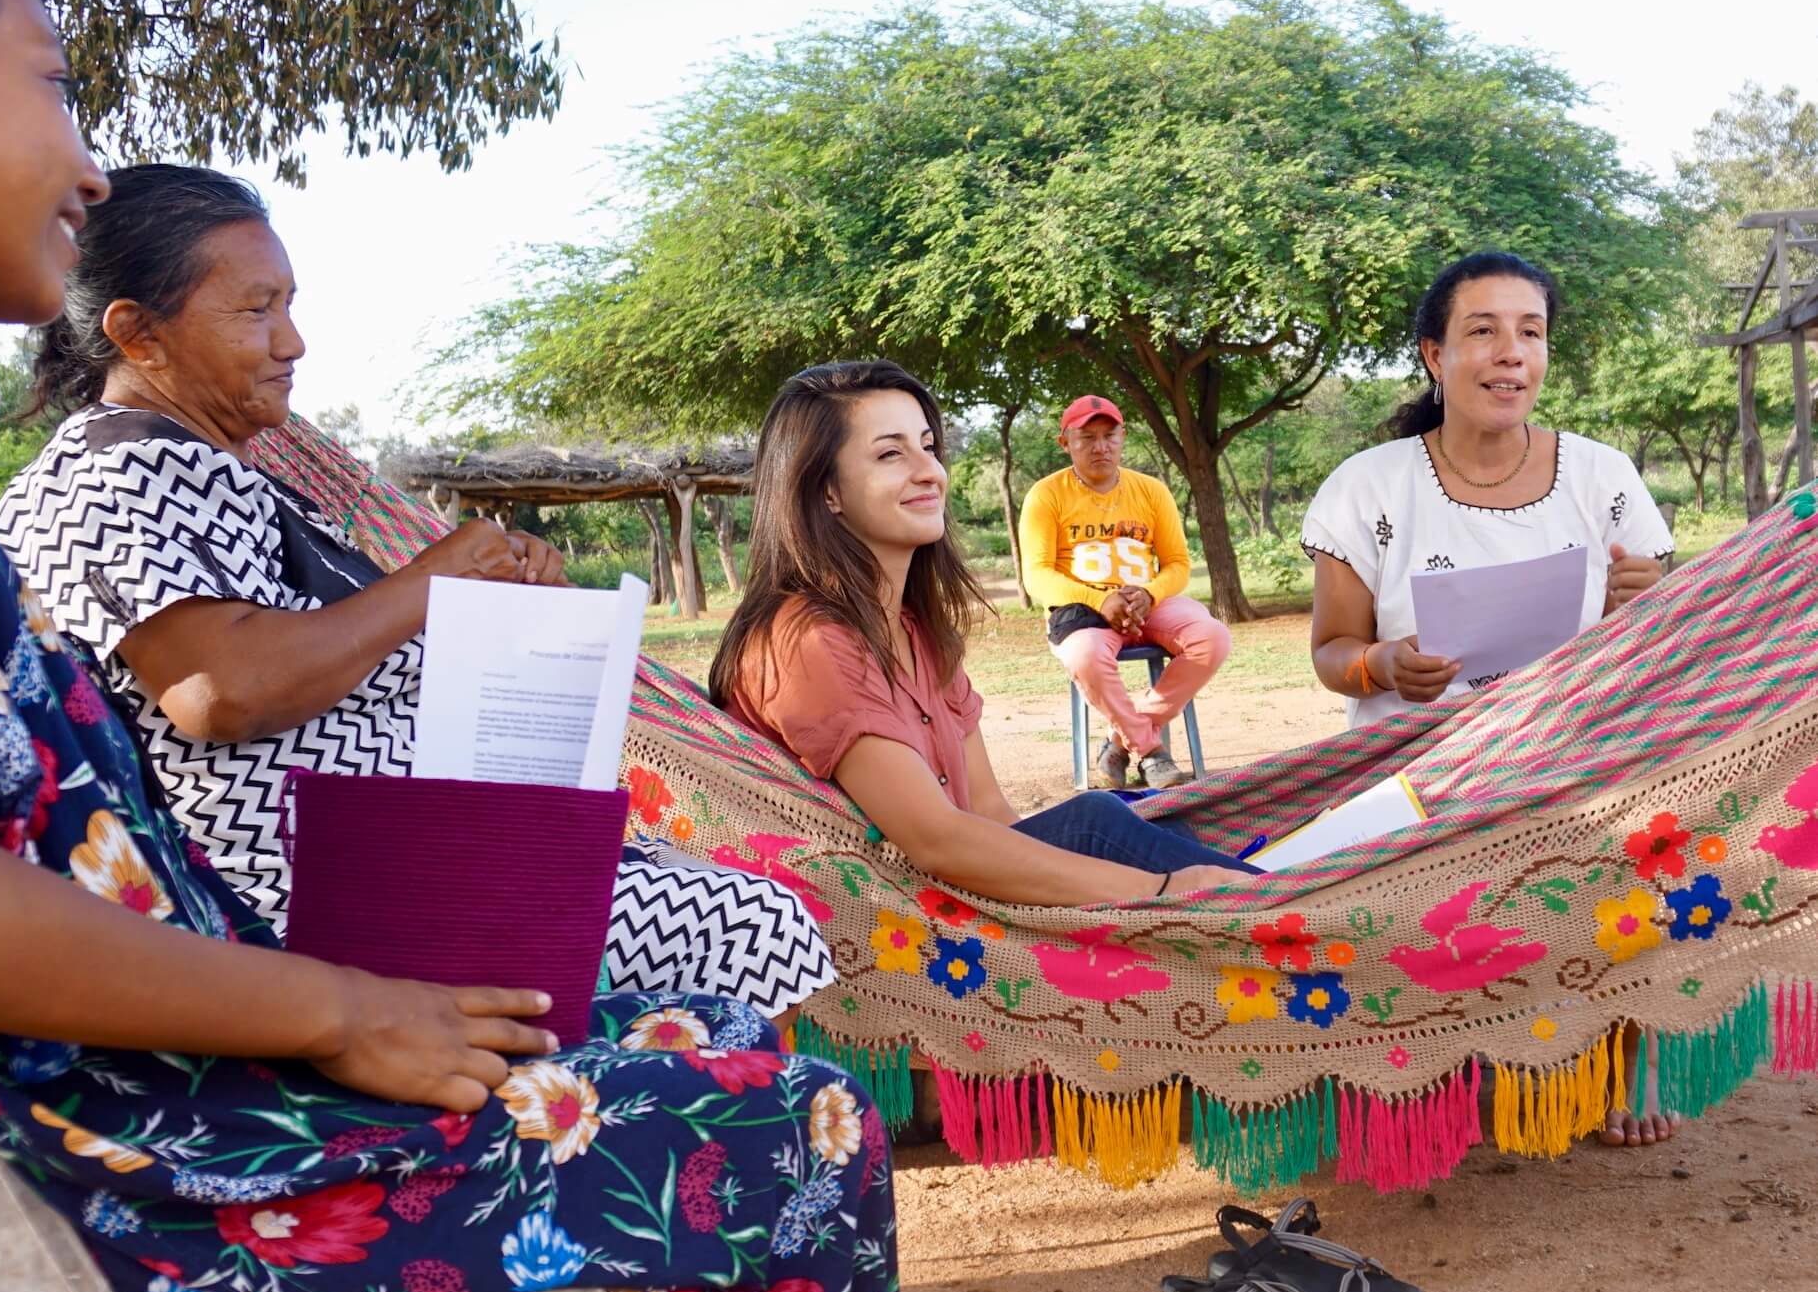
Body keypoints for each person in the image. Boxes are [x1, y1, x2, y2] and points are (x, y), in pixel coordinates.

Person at [0, 0, 904, 1292]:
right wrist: (340, 1008)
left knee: (712, 1033)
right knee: (797, 1129)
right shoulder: (5, 473)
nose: (82, 165)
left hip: (143, 1120)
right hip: (106, 1197)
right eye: (56, 84)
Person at [0, 162, 833, 1022]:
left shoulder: (224, 469)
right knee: (748, 925)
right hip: (315, 903)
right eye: (257, 309)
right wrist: (432, 582)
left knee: (721, 897)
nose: (293, 342)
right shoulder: (115, 474)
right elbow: (220, 690)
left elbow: (331, 650)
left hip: (409, 862)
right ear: (138, 335)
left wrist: (490, 598)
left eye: (290, 304)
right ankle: (719, 1134)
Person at [1300, 249, 1677, 1150]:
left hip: (1572, 749)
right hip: (1422, 763)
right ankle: (1446, 1065)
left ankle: (1628, 1056)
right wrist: (1387, 665)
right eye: (1483, 331)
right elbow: (1329, 652)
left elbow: (1661, 613)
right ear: (1434, 356)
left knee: (1649, 824)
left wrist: (1643, 597)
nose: (1511, 353)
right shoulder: (1369, 487)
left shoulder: (1600, 476)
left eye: (1530, 332)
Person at [710, 361, 1256, 908]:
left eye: (928, 446)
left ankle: (1283, 902)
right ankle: (1291, 913)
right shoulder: (807, 640)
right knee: (1107, 827)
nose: (931, 472)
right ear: (827, 491)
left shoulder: (919, 630)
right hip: (889, 920)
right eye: (890, 453)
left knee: (1119, 822)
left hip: (952, 894)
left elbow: (990, 813)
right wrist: (1163, 892)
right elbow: (938, 842)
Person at [1018, 395, 1232, 788]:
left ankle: (1119, 743)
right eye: (1087, 438)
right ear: (1064, 442)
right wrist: (1101, 599)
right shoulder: (1045, 495)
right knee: (1084, 657)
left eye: (1109, 436)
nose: (1100, 447)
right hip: (1083, 611)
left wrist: (1150, 593)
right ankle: (1151, 753)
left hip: (1146, 603)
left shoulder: (1151, 491)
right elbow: (1037, 575)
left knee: (1212, 637)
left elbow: (1178, 564)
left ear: (1123, 437)